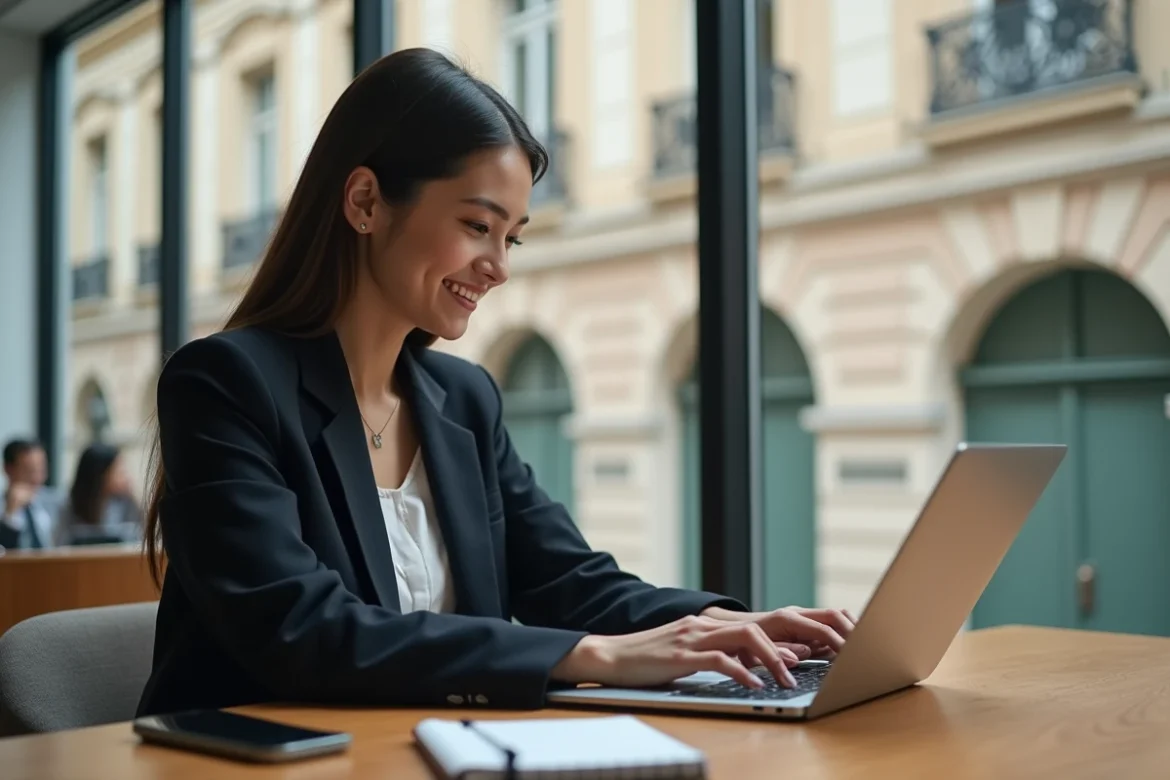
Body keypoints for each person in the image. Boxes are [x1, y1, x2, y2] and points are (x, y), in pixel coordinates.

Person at [136, 48, 856, 718]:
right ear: (364, 202)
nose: (498, 266)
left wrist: (728, 625)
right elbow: (301, 631)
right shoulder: (225, 385)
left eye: (510, 237)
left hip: (437, 751)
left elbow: (568, 582)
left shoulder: (462, 399)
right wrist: (595, 657)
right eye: (478, 225)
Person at [61, 443, 143, 546]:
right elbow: (60, 544)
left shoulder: (128, 502)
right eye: (119, 471)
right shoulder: (70, 506)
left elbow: (141, 538)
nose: (125, 476)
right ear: (101, 475)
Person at [0, 438, 64, 549]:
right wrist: (10, 515)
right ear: (8, 469)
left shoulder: (55, 501)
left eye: (41, 470)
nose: (36, 479)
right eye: (29, 471)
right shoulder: (4, 509)